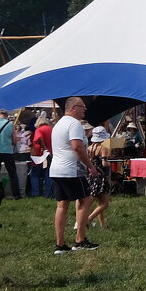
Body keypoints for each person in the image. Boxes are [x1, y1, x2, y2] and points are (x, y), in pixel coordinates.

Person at [49, 97, 100, 254]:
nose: (85, 109)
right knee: (86, 199)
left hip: (56, 169)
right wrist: (90, 166)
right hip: (72, 170)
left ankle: (60, 244)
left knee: (62, 205)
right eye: (82, 107)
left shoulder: (58, 124)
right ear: (73, 108)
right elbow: (77, 147)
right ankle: (80, 239)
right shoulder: (74, 124)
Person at [0, 109, 22, 200]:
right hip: (7, 151)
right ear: (6, 115)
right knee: (12, 174)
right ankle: (16, 195)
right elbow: (14, 140)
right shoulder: (10, 124)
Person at [87, 127, 112, 228]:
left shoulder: (89, 148)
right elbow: (104, 163)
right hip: (101, 176)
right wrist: (110, 164)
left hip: (91, 175)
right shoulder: (103, 148)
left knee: (99, 202)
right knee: (105, 203)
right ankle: (88, 219)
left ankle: (103, 226)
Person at [30, 115, 53, 197]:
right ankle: (48, 194)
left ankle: (35, 194)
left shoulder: (39, 129)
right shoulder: (51, 129)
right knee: (48, 174)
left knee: (35, 174)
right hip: (50, 154)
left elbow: (39, 138)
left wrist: (44, 148)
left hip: (40, 155)